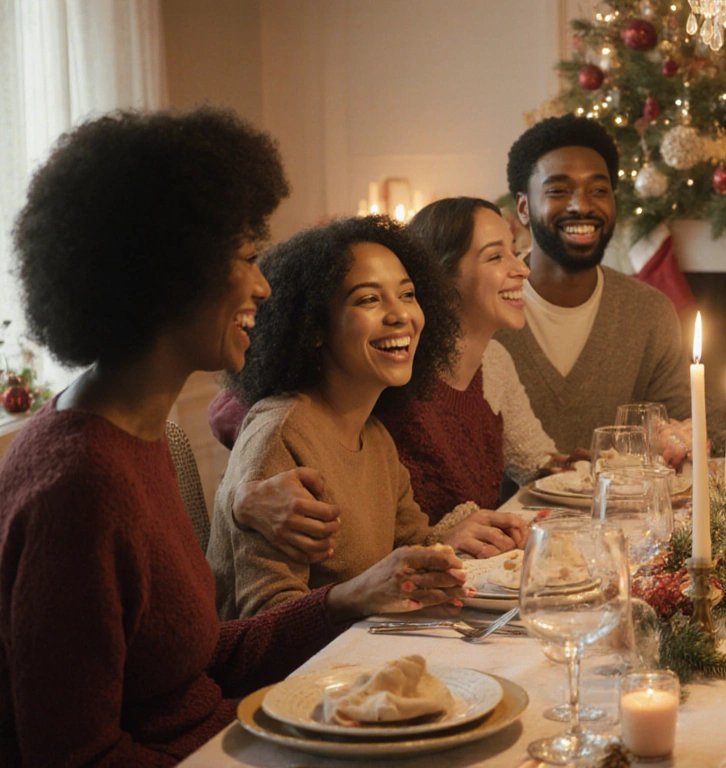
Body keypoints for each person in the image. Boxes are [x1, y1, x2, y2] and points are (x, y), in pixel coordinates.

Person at [0, 107, 464, 767]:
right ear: (167, 273)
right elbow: (75, 756)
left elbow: (200, 660)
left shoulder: (137, 434)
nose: (262, 285)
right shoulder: (77, 486)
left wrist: (345, 600)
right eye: (245, 259)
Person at [207, 215, 474, 620]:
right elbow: (264, 617)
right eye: (369, 299)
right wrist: (360, 594)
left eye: (407, 294)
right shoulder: (281, 434)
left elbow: (413, 545)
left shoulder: (376, 436)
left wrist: (463, 541)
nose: (400, 314)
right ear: (315, 326)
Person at [497, 114, 691, 453]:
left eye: (599, 190)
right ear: (524, 208)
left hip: (626, 505)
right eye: (559, 190)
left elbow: (683, 422)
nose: (582, 206)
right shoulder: (488, 312)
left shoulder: (649, 311)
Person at [392, 197, 565, 518]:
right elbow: (376, 529)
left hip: (485, 563)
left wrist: (580, 469)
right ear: (440, 277)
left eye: (514, 251)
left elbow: (537, 463)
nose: (522, 270)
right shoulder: (398, 371)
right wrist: (442, 538)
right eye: (496, 257)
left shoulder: (495, 361)